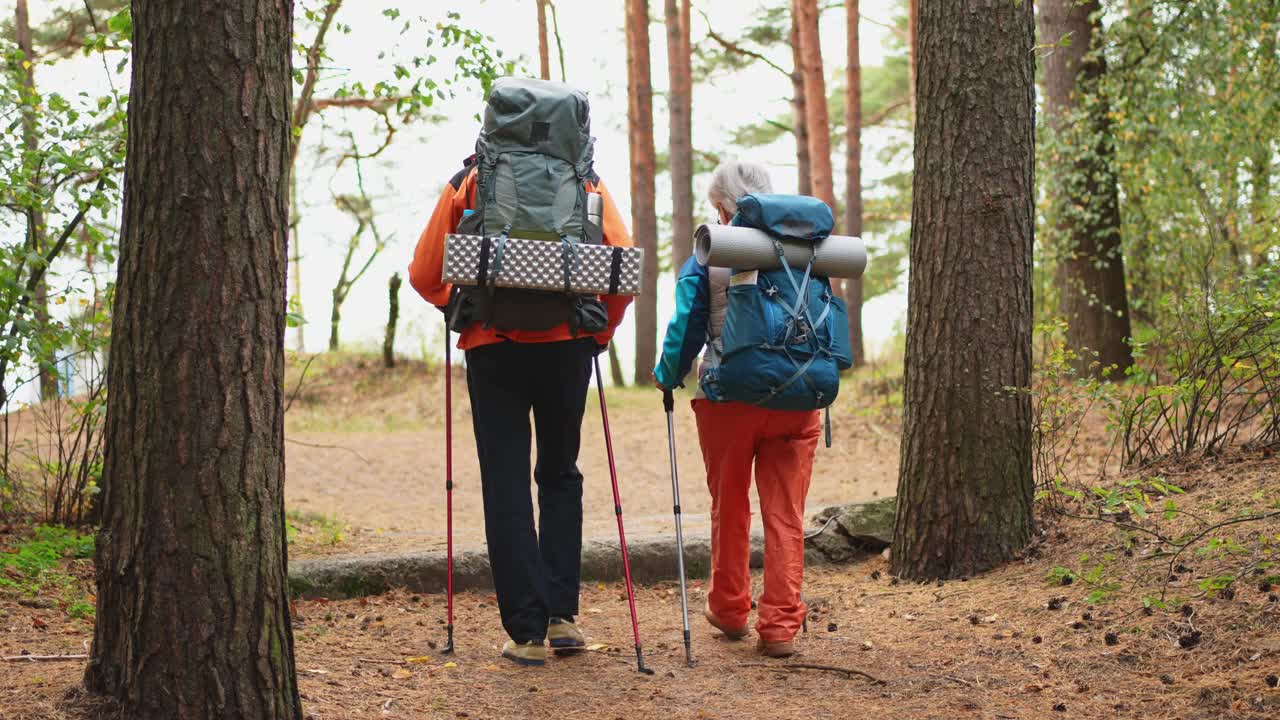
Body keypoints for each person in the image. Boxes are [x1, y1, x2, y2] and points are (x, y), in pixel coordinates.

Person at [408, 79, 634, 667]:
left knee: (506, 483)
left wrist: (464, 309)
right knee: (560, 473)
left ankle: (526, 633)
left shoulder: (471, 182)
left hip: (494, 347)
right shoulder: (587, 184)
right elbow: (620, 267)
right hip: (567, 349)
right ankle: (562, 617)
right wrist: (598, 333)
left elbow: (425, 271)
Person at [653, 161, 822, 658]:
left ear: (725, 208)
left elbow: (687, 322)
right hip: (797, 397)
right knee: (786, 513)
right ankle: (781, 626)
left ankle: (729, 611)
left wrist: (667, 375)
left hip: (728, 398)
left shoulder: (712, 252)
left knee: (729, 505)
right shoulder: (807, 249)